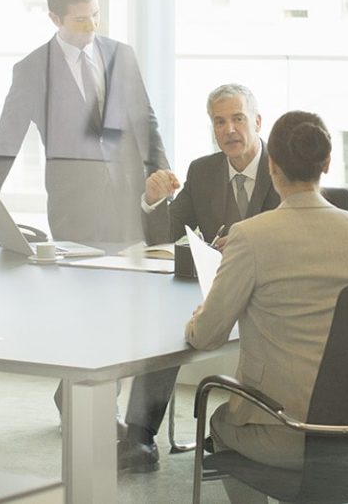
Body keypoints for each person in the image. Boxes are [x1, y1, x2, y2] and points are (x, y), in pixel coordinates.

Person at [186, 110, 348, 475]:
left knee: (219, 422)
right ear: (326, 162)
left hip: (284, 429)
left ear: (271, 165)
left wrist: (198, 317)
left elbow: (206, 336)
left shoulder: (250, 235)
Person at [118, 82, 278, 472]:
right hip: (213, 290)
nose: (229, 130)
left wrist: (244, 247)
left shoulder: (283, 167)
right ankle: (140, 437)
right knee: (164, 324)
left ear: (257, 121)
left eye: (238, 119)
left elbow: (295, 233)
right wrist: (153, 201)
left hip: (269, 290)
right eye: (219, 122)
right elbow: (168, 234)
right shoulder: (203, 170)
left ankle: (260, 430)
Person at [0, 0, 168, 247]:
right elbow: (5, 144)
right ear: (55, 19)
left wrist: (162, 181)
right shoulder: (32, 70)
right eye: (81, 20)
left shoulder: (121, 55)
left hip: (131, 203)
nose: (91, 26)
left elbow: (146, 124)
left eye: (95, 15)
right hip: (74, 212)